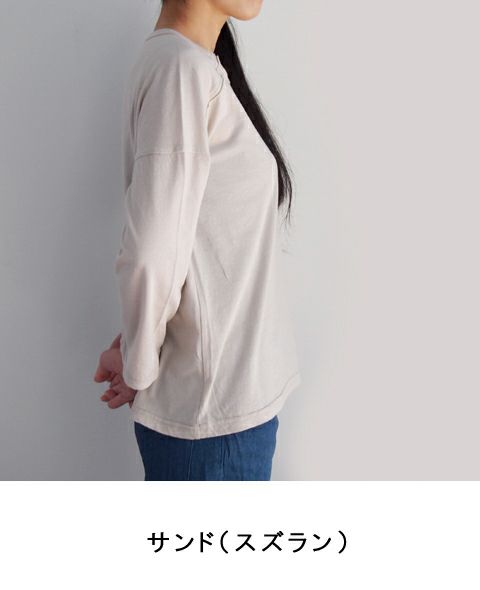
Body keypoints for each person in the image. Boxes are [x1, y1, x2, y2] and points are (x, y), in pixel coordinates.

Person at [93, 0, 301, 480]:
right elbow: (152, 253)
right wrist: (139, 365)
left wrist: (138, 348)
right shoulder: (180, 69)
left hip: (227, 408)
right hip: (216, 419)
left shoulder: (191, 65)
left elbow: (185, 243)